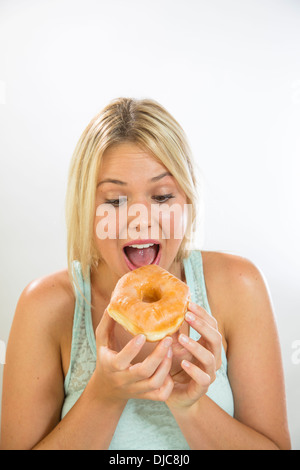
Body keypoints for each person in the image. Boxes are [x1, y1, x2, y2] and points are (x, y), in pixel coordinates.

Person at [0, 98, 291, 450]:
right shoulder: (46, 305)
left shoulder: (238, 286)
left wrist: (189, 405)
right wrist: (104, 395)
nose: (141, 218)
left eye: (162, 195)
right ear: (86, 208)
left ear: (186, 200)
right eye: (114, 200)